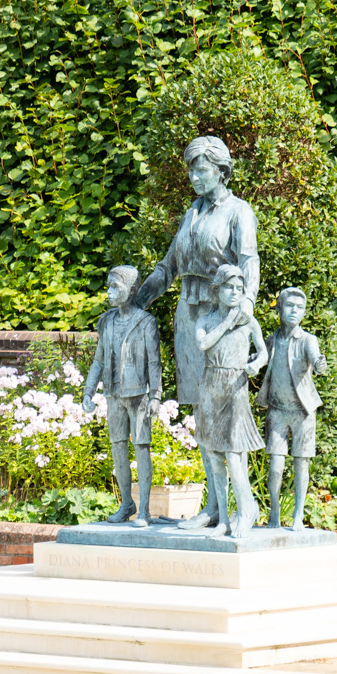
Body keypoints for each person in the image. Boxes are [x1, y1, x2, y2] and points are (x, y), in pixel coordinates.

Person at [134, 134, 259, 526]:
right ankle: (214, 507)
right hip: (189, 319)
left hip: (223, 318)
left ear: (222, 172)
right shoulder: (191, 213)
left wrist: (246, 308)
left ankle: (240, 507)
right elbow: (168, 267)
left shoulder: (239, 212)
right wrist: (136, 304)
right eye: (190, 170)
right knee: (201, 412)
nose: (194, 177)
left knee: (223, 412)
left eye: (201, 170)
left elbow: (249, 261)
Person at [188, 264, 269, 536]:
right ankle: (222, 518)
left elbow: (263, 353)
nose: (234, 293)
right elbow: (203, 344)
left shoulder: (249, 322)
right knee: (213, 456)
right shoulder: (206, 320)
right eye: (229, 287)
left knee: (234, 455)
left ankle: (247, 511)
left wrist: (257, 364)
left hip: (235, 388)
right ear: (217, 289)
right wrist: (227, 321)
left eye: (239, 289)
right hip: (211, 387)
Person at [82, 265, 163, 526]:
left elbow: (154, 362)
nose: (109, 291)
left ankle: (145, 511)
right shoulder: (106, 321)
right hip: (114, 394)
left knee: (141, 449)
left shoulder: (146, 322)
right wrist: (88, 391)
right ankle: (127, 502)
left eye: (115, 286)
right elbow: (98, 361)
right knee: (118, 450)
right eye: (108, 285)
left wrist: (156, 396)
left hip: (139, 394)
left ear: (131, 290)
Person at [259, 287, 326, 530]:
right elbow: (260, 361)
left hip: (302, 412)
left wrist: (320, 363)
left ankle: (298, 513)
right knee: (275, 467)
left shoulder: (309, 340)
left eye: (299, 307)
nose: (294, 311)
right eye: (289, 306)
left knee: (301, 463)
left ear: (304, 313)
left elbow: (316, 358)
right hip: (276, 411)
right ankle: (274, 511)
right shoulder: (272, 339)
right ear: (279, 308)